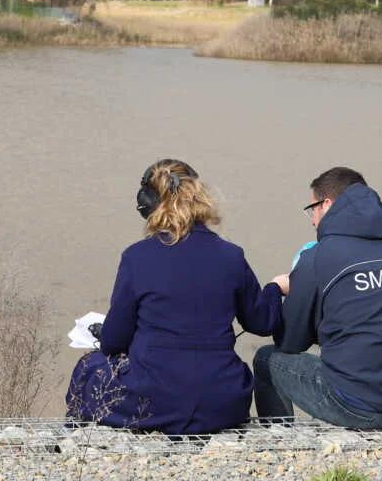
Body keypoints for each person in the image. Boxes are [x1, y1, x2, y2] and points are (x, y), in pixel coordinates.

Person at [66, 158, 284, 434]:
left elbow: (113, 341)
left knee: (89, 366)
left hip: (151, 402)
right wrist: (275, 289)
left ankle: (72, 440)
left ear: (147, 205)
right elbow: (262, 323)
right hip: (223, 403)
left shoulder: (137, 257)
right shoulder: (232, 255)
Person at [254, 166, 382, 428]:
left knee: (266, 359)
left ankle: (279, 443)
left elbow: (289, 342)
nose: (312, 221)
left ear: (326, 204)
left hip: (358, 406)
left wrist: (288, 289)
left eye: (312, 209)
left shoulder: (317, 256)